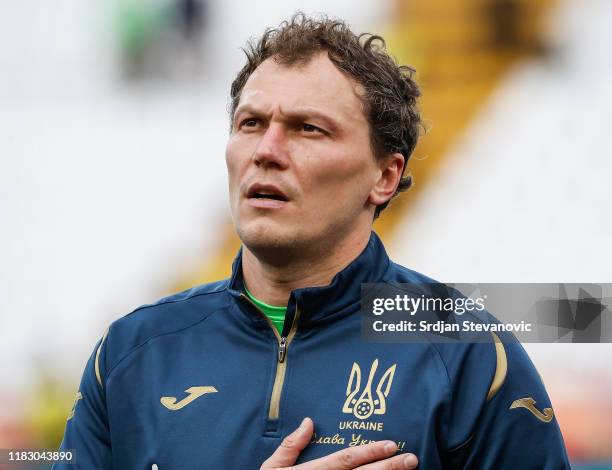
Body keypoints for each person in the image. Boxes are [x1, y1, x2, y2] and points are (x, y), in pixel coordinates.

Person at [54, 14, 570, 469]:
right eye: (250, 123)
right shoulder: (133, 351)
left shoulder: (468, 352)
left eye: (308, 129)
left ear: (385, 177)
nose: (267, 151)